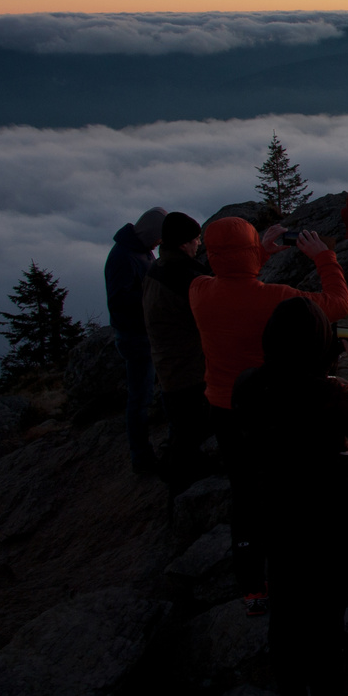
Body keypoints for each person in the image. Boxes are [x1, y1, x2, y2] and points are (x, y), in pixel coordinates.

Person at [232, 304, 348, 696]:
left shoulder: (250, 386)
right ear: (321, 346)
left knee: (286, 618)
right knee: (324, 622)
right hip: (332, 518)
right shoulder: (330, 395)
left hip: (276, 515)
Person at [189, 218, 348, 615]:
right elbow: (338, 305)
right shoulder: (276, 298)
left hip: (225, 405)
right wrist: (324, 257)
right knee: (292, 476)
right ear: (247, 253)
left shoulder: (199, 291)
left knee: (244, 489)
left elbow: (229, 277)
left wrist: (258, 252)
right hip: (276, 403)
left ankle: (252, 586)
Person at [141, 211, 212, 492]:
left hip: (168, 368)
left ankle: (176, 479)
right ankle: (184, 491)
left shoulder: (156, 269)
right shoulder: (185, 278)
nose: (198, 245)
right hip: (190, 371)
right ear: (184, 243)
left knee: (180, 431)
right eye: (196, 240)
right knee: (192, 437)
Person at [105, 207, 166, 473]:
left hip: (145, 333)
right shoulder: (123, 256)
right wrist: (151, 296)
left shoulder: (139, 249)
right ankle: (141, 457)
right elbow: (118, 299)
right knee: (140, 397)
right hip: (134, 337)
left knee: (152, 392)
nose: (159, 243)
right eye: (159, 237)